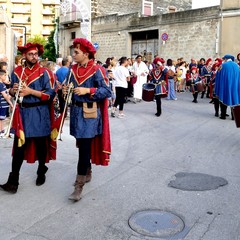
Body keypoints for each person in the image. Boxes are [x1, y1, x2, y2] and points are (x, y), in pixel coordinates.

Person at [0, 43, 56, 194]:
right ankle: (13, 182)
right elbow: (11, 91)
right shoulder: (18, 71)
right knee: (19, 148)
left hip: (40, 112)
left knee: (40, 145)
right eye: (30, 54)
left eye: (36, 54)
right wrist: (13, 90)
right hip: (23, 114)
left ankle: (41, 171)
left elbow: (51, 94)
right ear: (24, 55)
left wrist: (30, 91)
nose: (34, 57)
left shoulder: (45, 72)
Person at [62, 38, 111, 201]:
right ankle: (88, 170)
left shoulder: (97, 70)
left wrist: (87, 90)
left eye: (76, 52)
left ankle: (78, 186)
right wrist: (64, 89)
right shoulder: (72, 69)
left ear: (86, 53)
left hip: (90, 113)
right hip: (76, 112)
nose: (73, 55)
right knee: (82, 145)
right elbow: (67, 86)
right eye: (73, 52)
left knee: (83, 149)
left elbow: (106, 91)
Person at [215, 54, 240, 120]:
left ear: (226, 59)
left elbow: (218, 76)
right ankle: (234, 116)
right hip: (235, 86)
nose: (223, 60)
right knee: (234, 100)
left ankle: (223, 115)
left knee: (223, 98)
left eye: (224, 59)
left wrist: (217, 87)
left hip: (225, 86)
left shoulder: (223, 65)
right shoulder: (237, 66)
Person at [0, 69, 13, 137]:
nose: (6, 77)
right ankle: (0, 130)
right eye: (5, 75)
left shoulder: (2, 84)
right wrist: (11, 103)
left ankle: (1, 130)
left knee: (2, 118)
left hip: (4, 105)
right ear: (0, 76)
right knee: (1, 119)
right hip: (2, 105)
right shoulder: (1, 85)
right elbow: (5, 96)